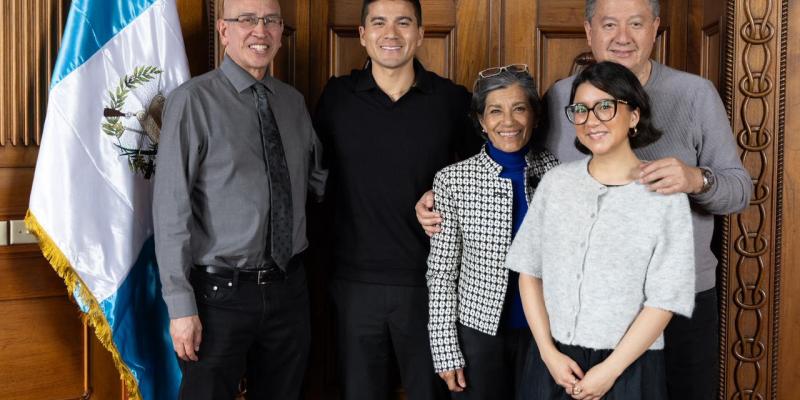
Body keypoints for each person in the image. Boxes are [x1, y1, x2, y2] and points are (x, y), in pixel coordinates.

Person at [416, 1, 752, 398]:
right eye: (609, 24)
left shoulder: (695, 95)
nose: (622, 36)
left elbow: (739, 190)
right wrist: (448, 192)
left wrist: (697, 179)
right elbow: (522, 159)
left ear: (655, 28)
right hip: (578, 315)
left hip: (679, 305)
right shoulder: (560, 98)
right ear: (589, 32)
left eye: (636, 23)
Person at [153, 0, 326, 398]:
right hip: (219, 300)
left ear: (281, 32)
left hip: (289, 291)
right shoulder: (192, 101)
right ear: (224, 31)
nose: (259, 31)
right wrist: (181, 306)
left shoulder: (292, 102)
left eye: (270, 21)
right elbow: (169, 210)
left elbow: (317, 180)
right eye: (246, 19)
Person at [313, 0, 481, 398]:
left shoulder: (451, 100)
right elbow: (311, 181)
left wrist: (442, 194)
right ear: (362, 34)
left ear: (420, 33)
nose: (391, 34)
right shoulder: (337, 97)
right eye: (379, 23)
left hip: (430, 286)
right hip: (353, 286)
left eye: (403, 23)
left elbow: (481, 178)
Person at [508, 60, 695, 399]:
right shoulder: (556, 183)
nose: (591, 120)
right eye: (581, 109)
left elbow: (665, 299)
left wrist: (610, 371)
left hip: (629, 366)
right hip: (553, 361)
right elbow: (529, 272)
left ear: (634, 115)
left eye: (605, 106)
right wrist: (548, 354)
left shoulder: (665, 195)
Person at [427, 65, 559, 399]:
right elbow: (441, 272)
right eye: (495, 111)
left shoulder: (556, 172)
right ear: (482, 121)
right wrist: (445, 348)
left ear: (535, 116)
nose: (509, 122)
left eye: (519, 108)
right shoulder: (452, 181)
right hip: (479, 335)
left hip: (545, 332)